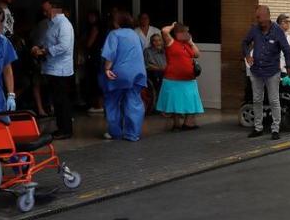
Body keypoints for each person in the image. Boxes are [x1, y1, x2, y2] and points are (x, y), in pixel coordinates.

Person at [242, 5, 290, 140]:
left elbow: (287, 50)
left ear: (267, 16)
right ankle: (258, 128)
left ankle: (275, 129)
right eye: (257, 17)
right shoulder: (254, 29)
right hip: (256, 70)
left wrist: (289, 66)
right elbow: (245, 43)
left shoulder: (277, 31)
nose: (258, 19)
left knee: (274, 100)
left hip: (272, 71)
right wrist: (247, 55)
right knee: (257, 99)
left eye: (259, 17)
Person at [100, 11, 147, 141]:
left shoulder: (114, 34)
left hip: (118, 73)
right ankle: (133, 133)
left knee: (112, 102)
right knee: (134, 102)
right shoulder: (135, 34)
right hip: (137, 73)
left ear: (117, 22)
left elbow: (110, 54)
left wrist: (107, 69)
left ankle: (115, 132)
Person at [32, 1, 75, 139]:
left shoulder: (64, 24)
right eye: (43, 11)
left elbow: (64, 46)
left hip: (60, 69)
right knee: (57, 100)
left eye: (47, 11)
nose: (45, 14)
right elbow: (48, 40)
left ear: (56, 9)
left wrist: (45, 51)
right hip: (52, 67)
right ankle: (61, 127)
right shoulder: (51, 24)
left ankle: (66, 129)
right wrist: (38, 47)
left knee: (62, 100)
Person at [156, 23, 203, 130]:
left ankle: (188, 123)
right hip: (173, 79)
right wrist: (173, 26)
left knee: (189, 101)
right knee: (174, 102)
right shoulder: (171, 42)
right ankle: (176, 124)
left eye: (187, 32)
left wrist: (191, 42)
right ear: (178, 33)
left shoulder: (187, 45)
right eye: (184, 32)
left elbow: (197, 54)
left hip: (189, 79)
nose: (187, 34)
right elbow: (164, 31)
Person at [80, 9, 105, 113]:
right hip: (98, 56)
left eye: (92, 16)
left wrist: (83, 44)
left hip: (95, 57)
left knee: (95, 80)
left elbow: (89, 43)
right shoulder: (99, 27)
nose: (90, 18)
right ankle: (99, 104)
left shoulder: (95, 27)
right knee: (96, 80)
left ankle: (99, 105)